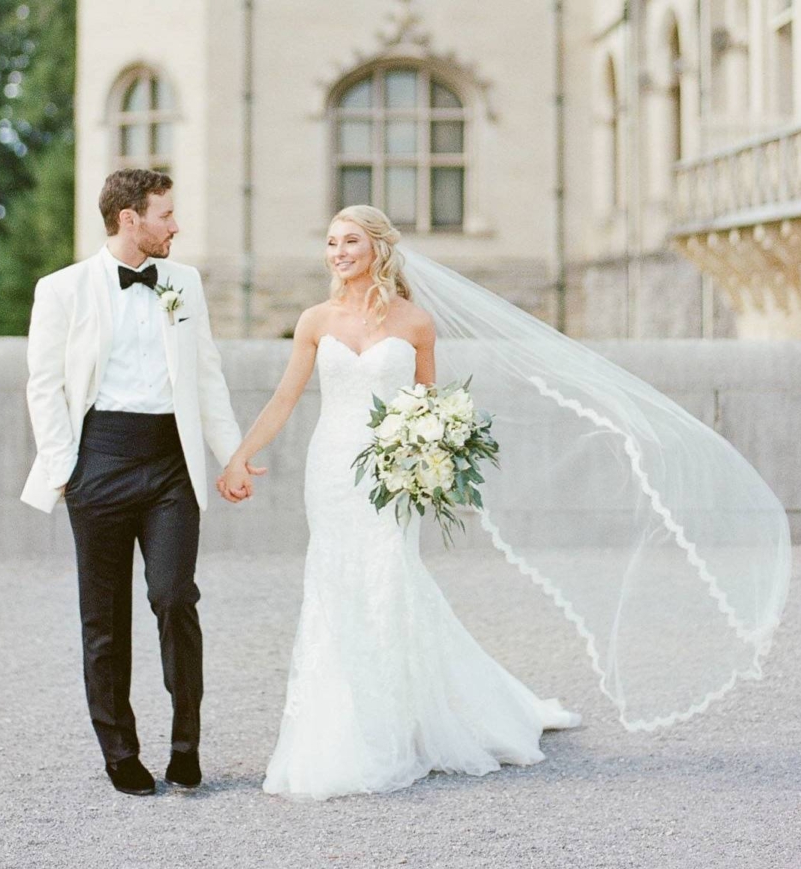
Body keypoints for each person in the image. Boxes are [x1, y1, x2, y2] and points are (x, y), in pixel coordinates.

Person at [218, 205, 581, 801]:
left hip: (392, 476)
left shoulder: (416, 323)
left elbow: (433, 407)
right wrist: (239, 456)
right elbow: (285, 398)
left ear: (378, 248)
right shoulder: (314, 319)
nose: (338, 252)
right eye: (331, 242)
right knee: (335, 584)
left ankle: (392, 727)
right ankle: (340, 726)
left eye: (351, 241)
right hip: (332, 470)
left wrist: (432, 460)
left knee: (390, 580)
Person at [21, 169, 262, 796]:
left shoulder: (185, 282)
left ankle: (186, 745)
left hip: (170, 465)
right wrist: (65, 467)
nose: (176, 225)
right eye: (166, 215)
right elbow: (44, 385)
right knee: (103, 619)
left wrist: (232, 456)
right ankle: (120, 752)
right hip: (97, 460)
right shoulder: (61, 289)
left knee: (174, 595)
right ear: (130, 219)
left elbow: (206, 373)